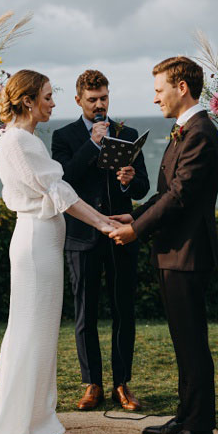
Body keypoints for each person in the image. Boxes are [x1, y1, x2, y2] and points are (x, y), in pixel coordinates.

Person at [0, 70, 121, 434]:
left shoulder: (21, 139)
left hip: (40, 243)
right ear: (27, 101)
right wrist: (104, 223)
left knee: (39, 332)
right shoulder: (21, 142)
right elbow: (61, 193)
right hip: (37, 247)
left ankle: (39, 417)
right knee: (31, 331)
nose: (53, 103)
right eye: (47, 96)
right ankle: (28, 420)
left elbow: (58, 192)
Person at [109, 56, 218, 434]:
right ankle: (185, 417)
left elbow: (181, 196)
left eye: (159, 90)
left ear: (182, 88)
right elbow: (166, 192)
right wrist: (134, 215)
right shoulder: (185, 130)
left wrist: (136, 231)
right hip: (173, 251)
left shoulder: (201, 134)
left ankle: (199, 432)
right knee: (182, 341)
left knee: (192, 344)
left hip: (187, 253)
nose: (154, 97)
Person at [51, 69, 150, 411]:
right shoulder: (63, 137)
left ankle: (122, 384)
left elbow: (143, 189)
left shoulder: (129, 133)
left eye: (104, 98)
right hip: (82, 236)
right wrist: (93, 143)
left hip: (122, 233)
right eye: (92, 99)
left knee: (124, 310)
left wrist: (128, 179)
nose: (99, 105)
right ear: (78, 100)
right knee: (85, 311)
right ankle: (92, 383)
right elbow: (64, 180)